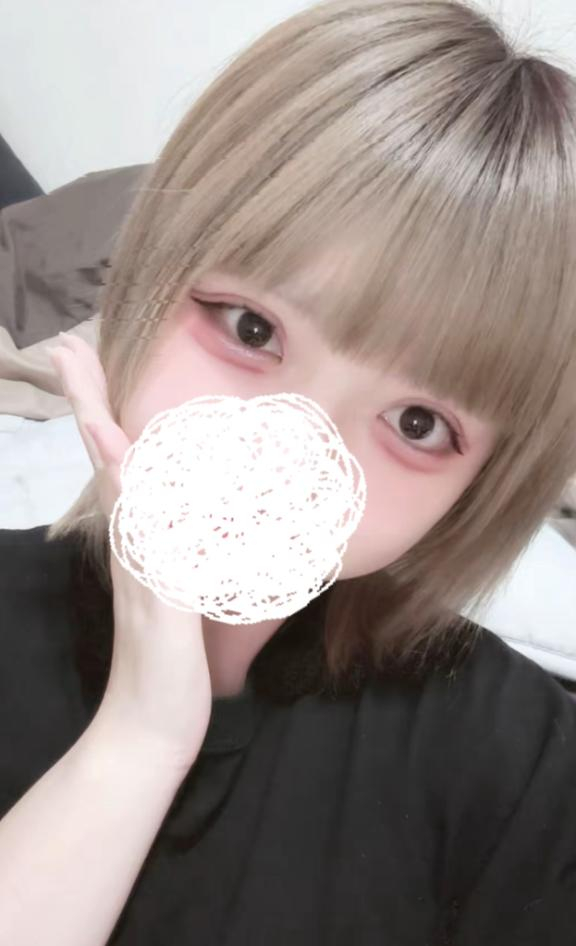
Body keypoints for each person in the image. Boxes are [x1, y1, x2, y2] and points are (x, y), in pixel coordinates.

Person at [1, 0, 576, 942]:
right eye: (252, 328)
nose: (283, 456)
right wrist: (140, 736)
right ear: (152, 272)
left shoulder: (519, 763)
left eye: (419, 423)